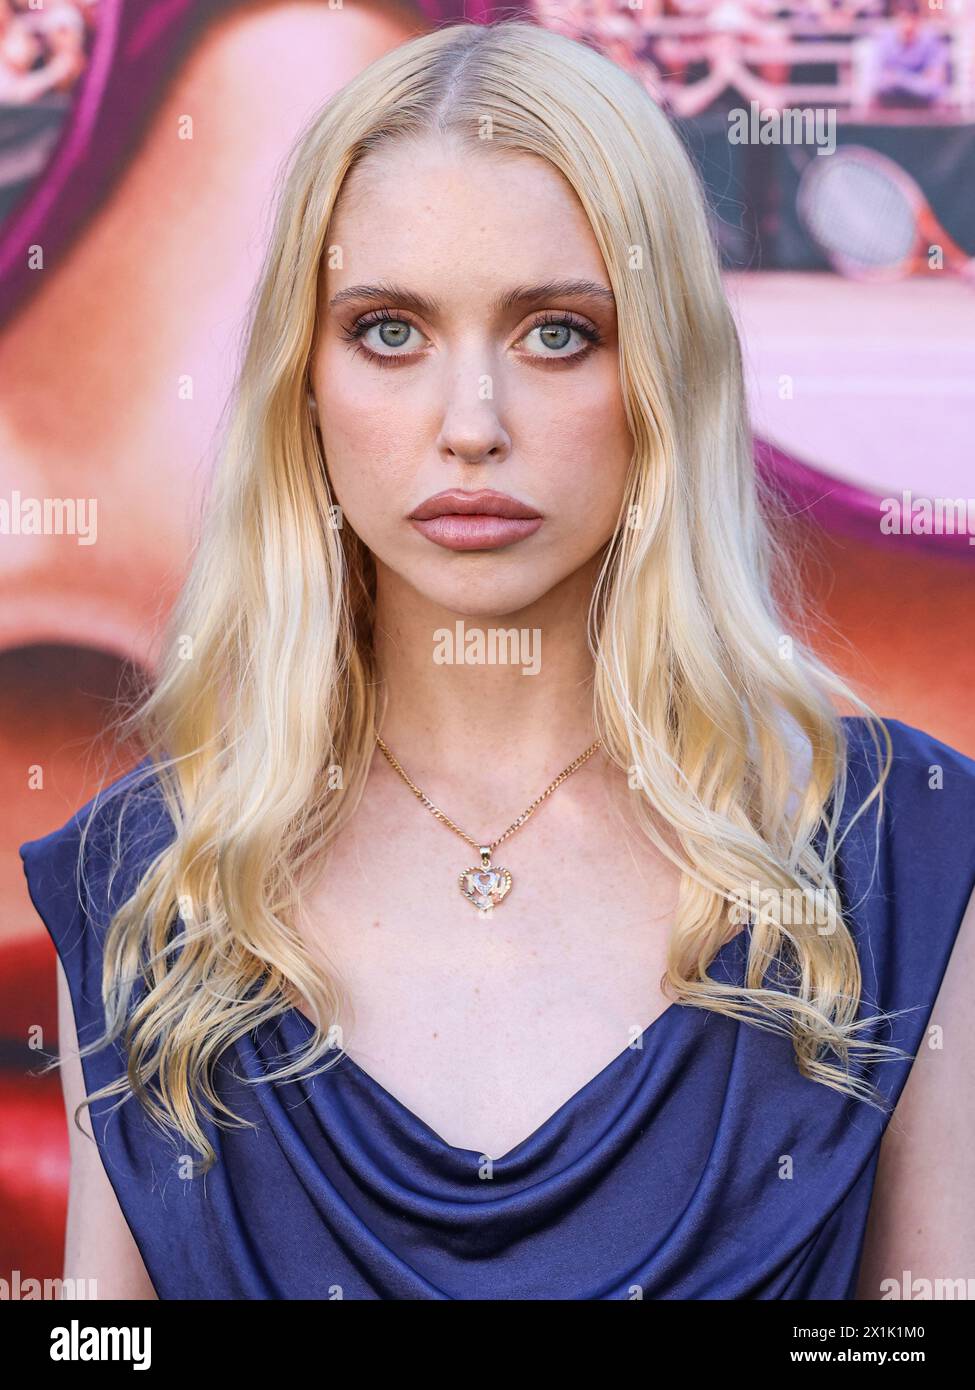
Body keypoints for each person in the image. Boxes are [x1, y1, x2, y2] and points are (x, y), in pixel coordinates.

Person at [19, 18, 975, 1301]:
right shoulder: (147, 879)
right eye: (391, 332)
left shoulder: (897, 847)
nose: (471, 426)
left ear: (662, 376)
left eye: (557, 332)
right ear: (303, 384)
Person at [866, 0, 950, 109]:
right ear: (897, 18)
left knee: (935, 92)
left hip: (922, 99)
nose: (908, 24)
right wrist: (912, 80)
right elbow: (878, 78)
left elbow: (935, 81)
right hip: (891, 97)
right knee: (878, 87)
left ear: (918, 20)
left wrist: (899, 78)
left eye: (912, 19)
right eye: (904, 18)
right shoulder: (885, 37)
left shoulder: (931, 38)